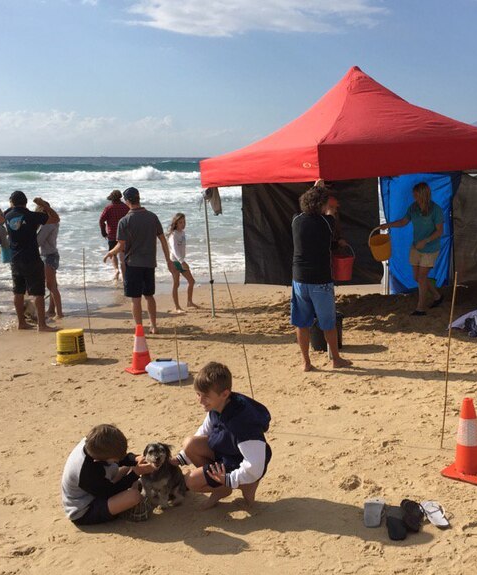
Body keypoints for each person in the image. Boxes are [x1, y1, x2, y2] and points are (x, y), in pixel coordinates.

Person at [172, 362, 271, 509]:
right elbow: (204, 432)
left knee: (191, 481)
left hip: (245, 462)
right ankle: (221, 489)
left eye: (205, 396)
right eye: (198, 394)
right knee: (189, 444)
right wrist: (179, 459)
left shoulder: (243, 423)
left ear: (224, 394)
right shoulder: (217, 405)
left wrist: (229, 479)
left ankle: (243, 488)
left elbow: (255, 465)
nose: (200, 400)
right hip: (226, 451)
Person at [290, 186, 352, 371]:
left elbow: (317, 243)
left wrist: (317, 187)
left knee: (301, 323)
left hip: (299, 279)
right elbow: (330, 219)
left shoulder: (296, 220)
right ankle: (336, 360)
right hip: (320, 280)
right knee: (328, 323)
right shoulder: (328, 222)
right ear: (321, 204)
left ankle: (306, 362)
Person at [103, 187, 175, 334]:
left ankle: (139, 328)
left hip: (132, 263)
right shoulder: (152, 217)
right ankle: (154, 326)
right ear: (139, 198)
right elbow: (162, 239)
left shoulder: (125, 221)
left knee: (135, 299)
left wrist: (111, 252)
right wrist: (168, 260)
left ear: (127, 201)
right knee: (149, 296)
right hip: (149, 263)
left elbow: (120, 245)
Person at [61, 424, 157, 526]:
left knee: (131, 464)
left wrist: (135, 459)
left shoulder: (94, 444)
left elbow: (121, 458)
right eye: (115, 460)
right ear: (98, 460)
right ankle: (123, 511)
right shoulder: (86, 471)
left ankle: (128, 486)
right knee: (134, 496)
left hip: (99, 486)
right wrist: (136, 474)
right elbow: (108, 492)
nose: (118, 460)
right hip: (85, 510)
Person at [379, 182, 444, 315]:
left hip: (430, 248)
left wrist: (426, 241)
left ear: (422, 194)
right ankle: (437, 296)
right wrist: (388, 225)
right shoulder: (413, 207)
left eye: (415, 194)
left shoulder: (435, 209)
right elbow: (404, 222)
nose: (413, 196)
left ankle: (421, 308)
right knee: (417, 277)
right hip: (416, 246)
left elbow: (439, 231)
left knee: (421, 277)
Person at [4, 191, 59, 332]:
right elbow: (55, 218)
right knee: (38, 293)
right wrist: (43, 205)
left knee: (18, 292)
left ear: (11, 202)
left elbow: (9, 210)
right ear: (26, 202)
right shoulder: (32, 216)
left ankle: (21, 323)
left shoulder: (7, 215)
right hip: (31, 257)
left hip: (15, 258)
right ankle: (42, 325)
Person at [167, 213, 199, 312]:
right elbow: (174, 250)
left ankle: (189, 302)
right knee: (176, 283)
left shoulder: (183, 233)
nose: (183, 224)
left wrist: (183, 260)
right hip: (175, 262)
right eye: (180, 222)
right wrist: (182, 261)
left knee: (191, 281)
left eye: (184, 222)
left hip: (181, 260)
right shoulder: (173, 235)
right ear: (176, 223)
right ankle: (177, 307)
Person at [36, 205, 63, 319]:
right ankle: (52, 309)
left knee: (51, 286)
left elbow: (38, 241)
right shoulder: (54, 222)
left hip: (48, 256)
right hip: (52, 254)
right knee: (53, 285)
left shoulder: (47, 225)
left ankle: (59, 313)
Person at [99, 190, 129, 281]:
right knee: (123, 256)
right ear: (120, 198)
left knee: (113, 254)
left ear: (112, 199)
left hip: (112, 234)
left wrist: (103, 232)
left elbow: (101, 220)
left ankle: (116, 270)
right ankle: (125, 278)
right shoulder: (126, 207)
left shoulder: (108, 208)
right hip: (124, 235)